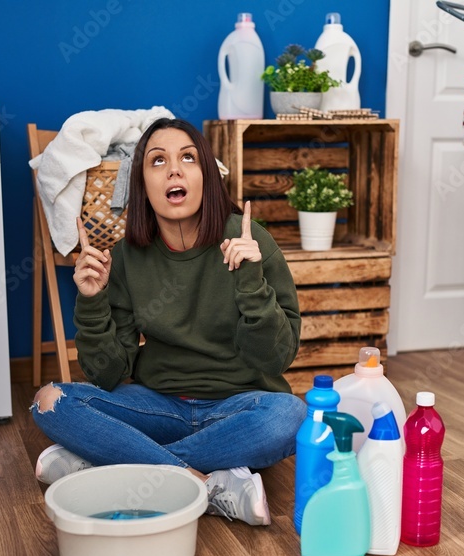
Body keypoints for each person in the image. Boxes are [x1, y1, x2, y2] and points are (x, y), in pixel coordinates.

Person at [31, 117, 306, 525]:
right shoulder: (125, 257)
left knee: (289, 415)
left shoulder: (250, 241)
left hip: (237, 406)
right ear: (142, 185)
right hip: (158, 405)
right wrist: (92, 301)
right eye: (158, 161)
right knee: (49, 402)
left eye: (188, 158)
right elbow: (106, 374)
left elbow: (276, 359)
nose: (174, 169)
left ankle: (124, 464)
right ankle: (205, 483)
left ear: (205, 176)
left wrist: (251, 283)